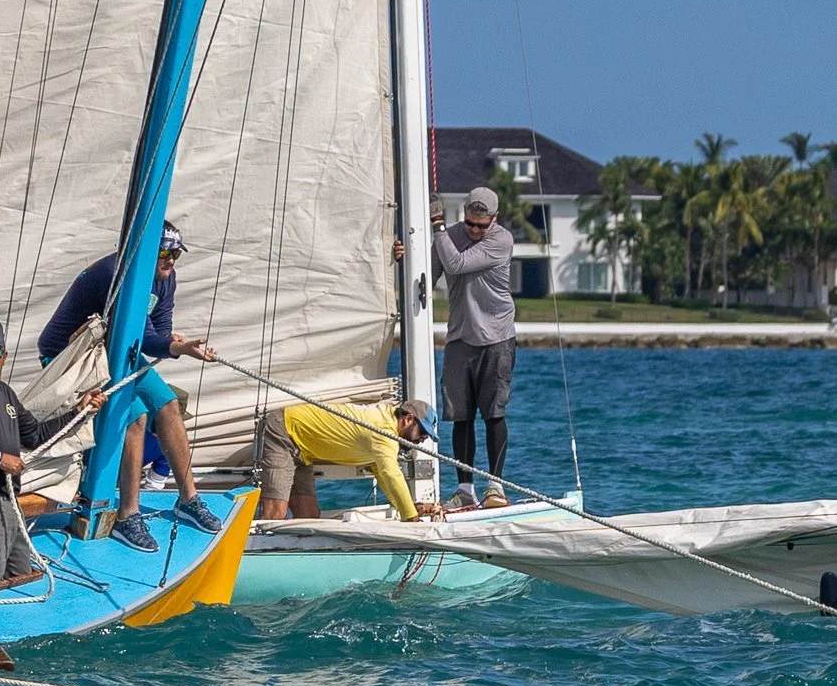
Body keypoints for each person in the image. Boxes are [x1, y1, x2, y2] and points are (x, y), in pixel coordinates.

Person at [36, 221, 222, 553]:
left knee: (168, 405)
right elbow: (151, 338)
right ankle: (127, 515)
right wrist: (177, 348)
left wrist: (174, 342)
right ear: (149, 250)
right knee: (134, 418)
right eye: (165, 253)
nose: (171, 262)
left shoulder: (166, 277)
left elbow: (158, 329)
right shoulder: (120, 273)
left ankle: (188, 498)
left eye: (177, 254)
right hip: (71, 355)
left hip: (117, 349)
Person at [0, 319, 106, 585]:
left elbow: (35, 434)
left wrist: (79, 411)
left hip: (6, 498)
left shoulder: (5, 393)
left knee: (21, 572)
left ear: (4, 357)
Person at [430, 186, 516, 510]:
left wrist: (437, 225)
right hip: (460, 337)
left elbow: (455, 264)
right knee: (460, 416)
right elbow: (431, 272)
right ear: (464, 213)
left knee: (493, 413)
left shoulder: (501, 240)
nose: (475, 230)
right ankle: (465, 489)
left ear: (494, 219)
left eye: (482, 225)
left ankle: (496, 487)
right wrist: (405, 257)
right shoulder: (449, 236)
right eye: (470, 224)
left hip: (497, 336)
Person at [257, 398, 442, 522]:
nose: (423, 439)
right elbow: (390, 473)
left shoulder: (388, 432)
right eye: (423, 432)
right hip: (283, 431)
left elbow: (381, 472)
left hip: (303, 449)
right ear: (408, 419)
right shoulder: (383, 431)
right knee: (275, 513)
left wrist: (407, 508)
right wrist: (410, 517)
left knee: (309, 516)